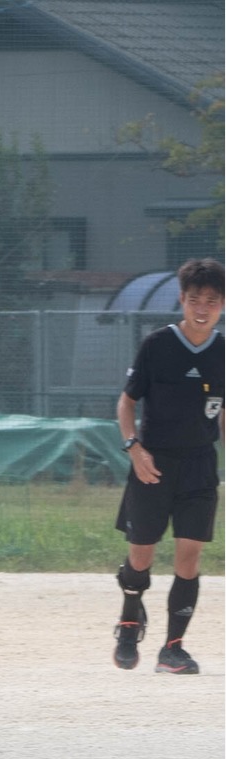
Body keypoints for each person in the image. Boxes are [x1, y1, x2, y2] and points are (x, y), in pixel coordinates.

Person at [111, 258, 223, 674]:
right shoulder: (157, 344)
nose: (202, 308)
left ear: (223, 304)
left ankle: (172, 649)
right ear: (182, 299)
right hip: (153, 463)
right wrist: (134, 449)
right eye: (195, 299)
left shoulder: (224, 351)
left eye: (212, 301)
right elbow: (126, 402)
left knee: (189, 558)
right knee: (141, 555)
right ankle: (128, 621)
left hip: (199, 466)